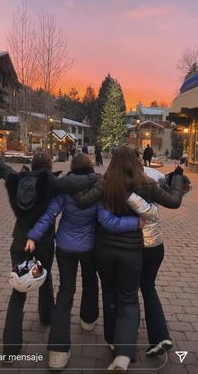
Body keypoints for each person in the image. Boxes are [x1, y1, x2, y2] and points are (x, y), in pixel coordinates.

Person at [0, 138, 99, 363]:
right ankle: (47, 317)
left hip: (20, 240)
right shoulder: (50, 182)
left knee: (18, 290)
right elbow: (73, 185)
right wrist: (97, 176)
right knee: (46, 277)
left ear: (31, 166)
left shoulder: (15, 179)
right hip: (43, 241)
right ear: (50, 168)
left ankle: (11, 349)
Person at [25, 153, 140, 370]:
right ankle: (88, 319)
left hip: (65, 247)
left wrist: (33, 235)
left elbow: (49, 215)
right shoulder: (98, 189)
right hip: (88, 247)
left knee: (65, 292)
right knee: (90, 282)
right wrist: (137, 222)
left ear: (72, 169)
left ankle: (57, 351)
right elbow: (107, 221)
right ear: (89, 168)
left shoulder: (64, 189)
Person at [74, 146, 184, 372]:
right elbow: (174, 201)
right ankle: (124, 353)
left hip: (103, 251)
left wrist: (76, 180)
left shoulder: (105, 183)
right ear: (135, 162)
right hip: (131, 251)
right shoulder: (145, 184)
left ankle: (113, 341)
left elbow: (82, 201)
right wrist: (178, 178)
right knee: (128, 299)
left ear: (112, 162)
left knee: (110, 294)